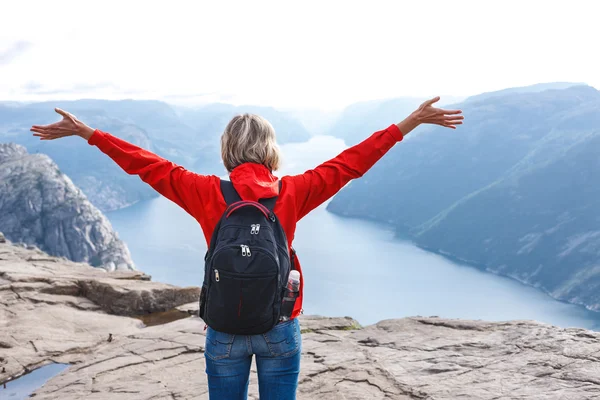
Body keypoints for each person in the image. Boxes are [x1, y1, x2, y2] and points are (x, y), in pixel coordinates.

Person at [30, 97, 463, 399]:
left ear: (226, 150)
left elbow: (146, 164)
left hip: (224, 329)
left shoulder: (204, 192)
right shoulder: (293, 192)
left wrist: (90, 134)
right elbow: (351, 162)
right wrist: (408, 123)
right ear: (270, 149)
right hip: (279, 324)